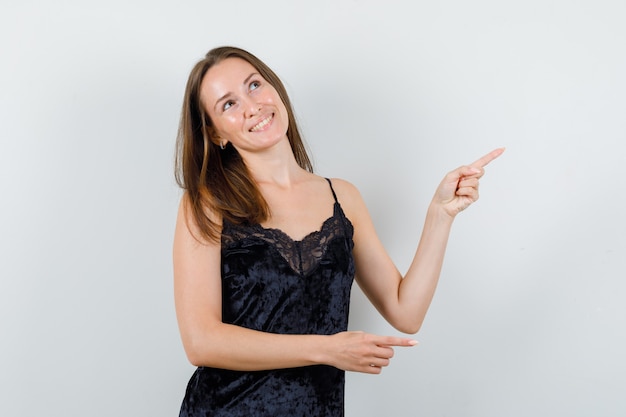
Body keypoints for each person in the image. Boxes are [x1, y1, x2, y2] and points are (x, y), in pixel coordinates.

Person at [173, 45, 504, 416]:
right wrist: (327, 349)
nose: (251, 106)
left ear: (275, 90)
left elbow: (405, 311)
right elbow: (200, 342)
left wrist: (440, 214)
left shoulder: (342, 197)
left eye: (254, 85)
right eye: (228, 105)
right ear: (215, 133)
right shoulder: (206, 204)